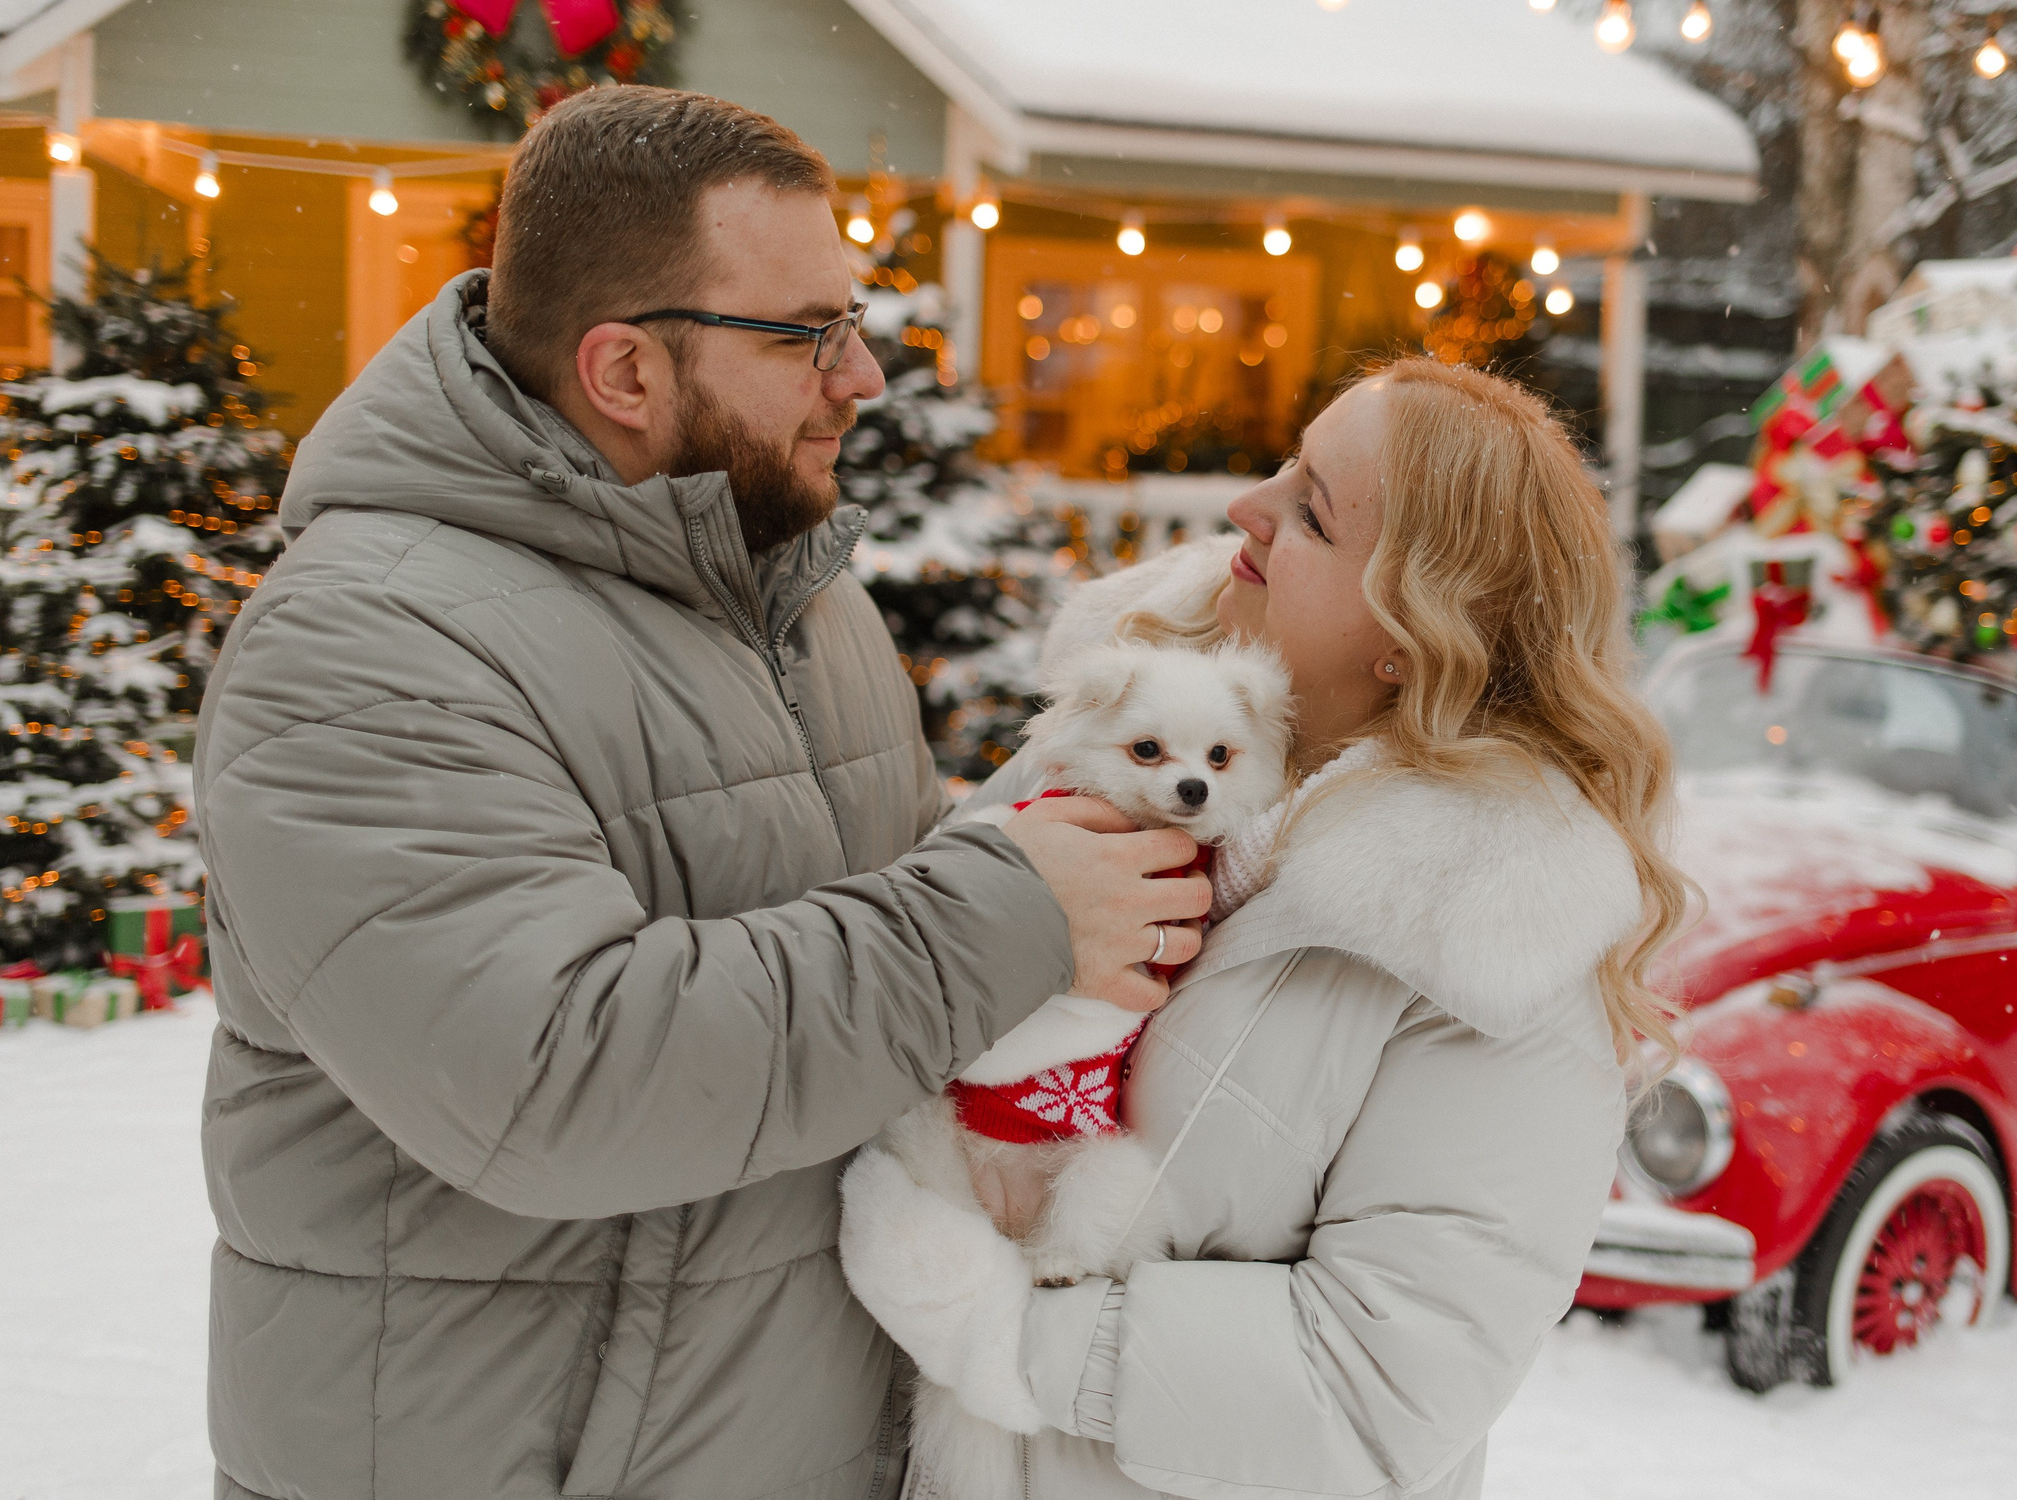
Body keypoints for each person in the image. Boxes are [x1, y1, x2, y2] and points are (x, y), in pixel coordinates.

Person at [192, 86, 1207, 1500]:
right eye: (809, 335)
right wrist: (1008, 914)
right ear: (623, 372)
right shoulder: (369, 638)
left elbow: (882, 999)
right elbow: (555, 1074)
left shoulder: (796, 594)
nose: (861, 375)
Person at [841, 358, 1691, 1500]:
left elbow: (1376, 1383)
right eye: (1286, 469)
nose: (1246, 506)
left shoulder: (1498, 944)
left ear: (1410, 629)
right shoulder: (1120, 732)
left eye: (1309, 511)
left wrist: (990, 1325)